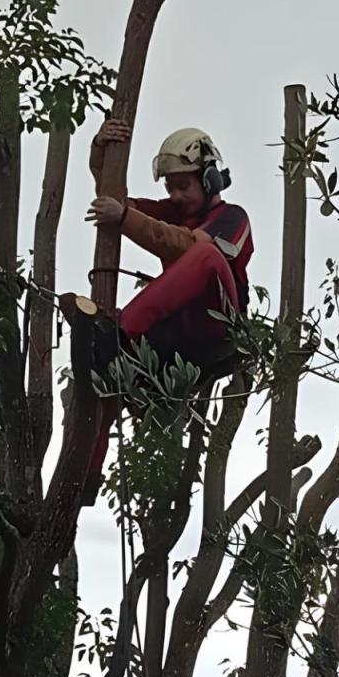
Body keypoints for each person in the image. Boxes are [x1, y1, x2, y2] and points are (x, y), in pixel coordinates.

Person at [81, 120, 254, 506]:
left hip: (216, 327)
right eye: (169, 187)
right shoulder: (174, 212)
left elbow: (183, 247)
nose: (175, 196)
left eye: (183, 186)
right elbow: (118, 202)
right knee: (101, 378)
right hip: (175, 333)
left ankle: (122, 332)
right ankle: (82, 482)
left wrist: (125, 218)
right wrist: (100, 154)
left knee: (204, 255)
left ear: (208, 179)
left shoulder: (233, 218)